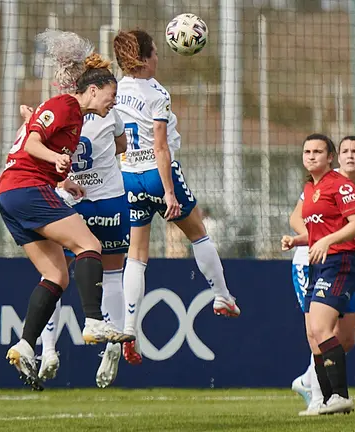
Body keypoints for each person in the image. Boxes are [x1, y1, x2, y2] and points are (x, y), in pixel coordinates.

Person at [0, 31, 128, 390]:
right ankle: (92, 320)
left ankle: (25, 345)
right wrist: (55, 158)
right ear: (94, 89)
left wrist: (63, 182)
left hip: (13, 195)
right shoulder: (67, 105)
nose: (112, 103)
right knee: (90, 245)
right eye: (111, 96)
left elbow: (37, 140)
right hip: (25, 189)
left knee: (56, 275)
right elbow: (35, 143)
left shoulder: (75, 117)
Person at [112, 29, 240, 365]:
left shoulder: (115, 90)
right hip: (156, 174)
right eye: (154, 52)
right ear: (143, 58)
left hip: (128, 177)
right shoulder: (157, 93)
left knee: (136, 255)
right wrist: (169, 191)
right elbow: (161, 145)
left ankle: (128, 327)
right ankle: (221, 296)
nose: (158, 57)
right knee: (198, 233)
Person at [289, 136, 355, 413]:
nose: (311, 156)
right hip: (316, 262)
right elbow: (306, 224)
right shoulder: (310, 188)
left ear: (330, 157)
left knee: (326, 331)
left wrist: (326, 241)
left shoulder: (342, 185)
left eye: (318, 151)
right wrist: (298, 239)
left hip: (339, 261)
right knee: (313, 333)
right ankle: (326, 400)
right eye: (306, 151)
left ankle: (338, 396)